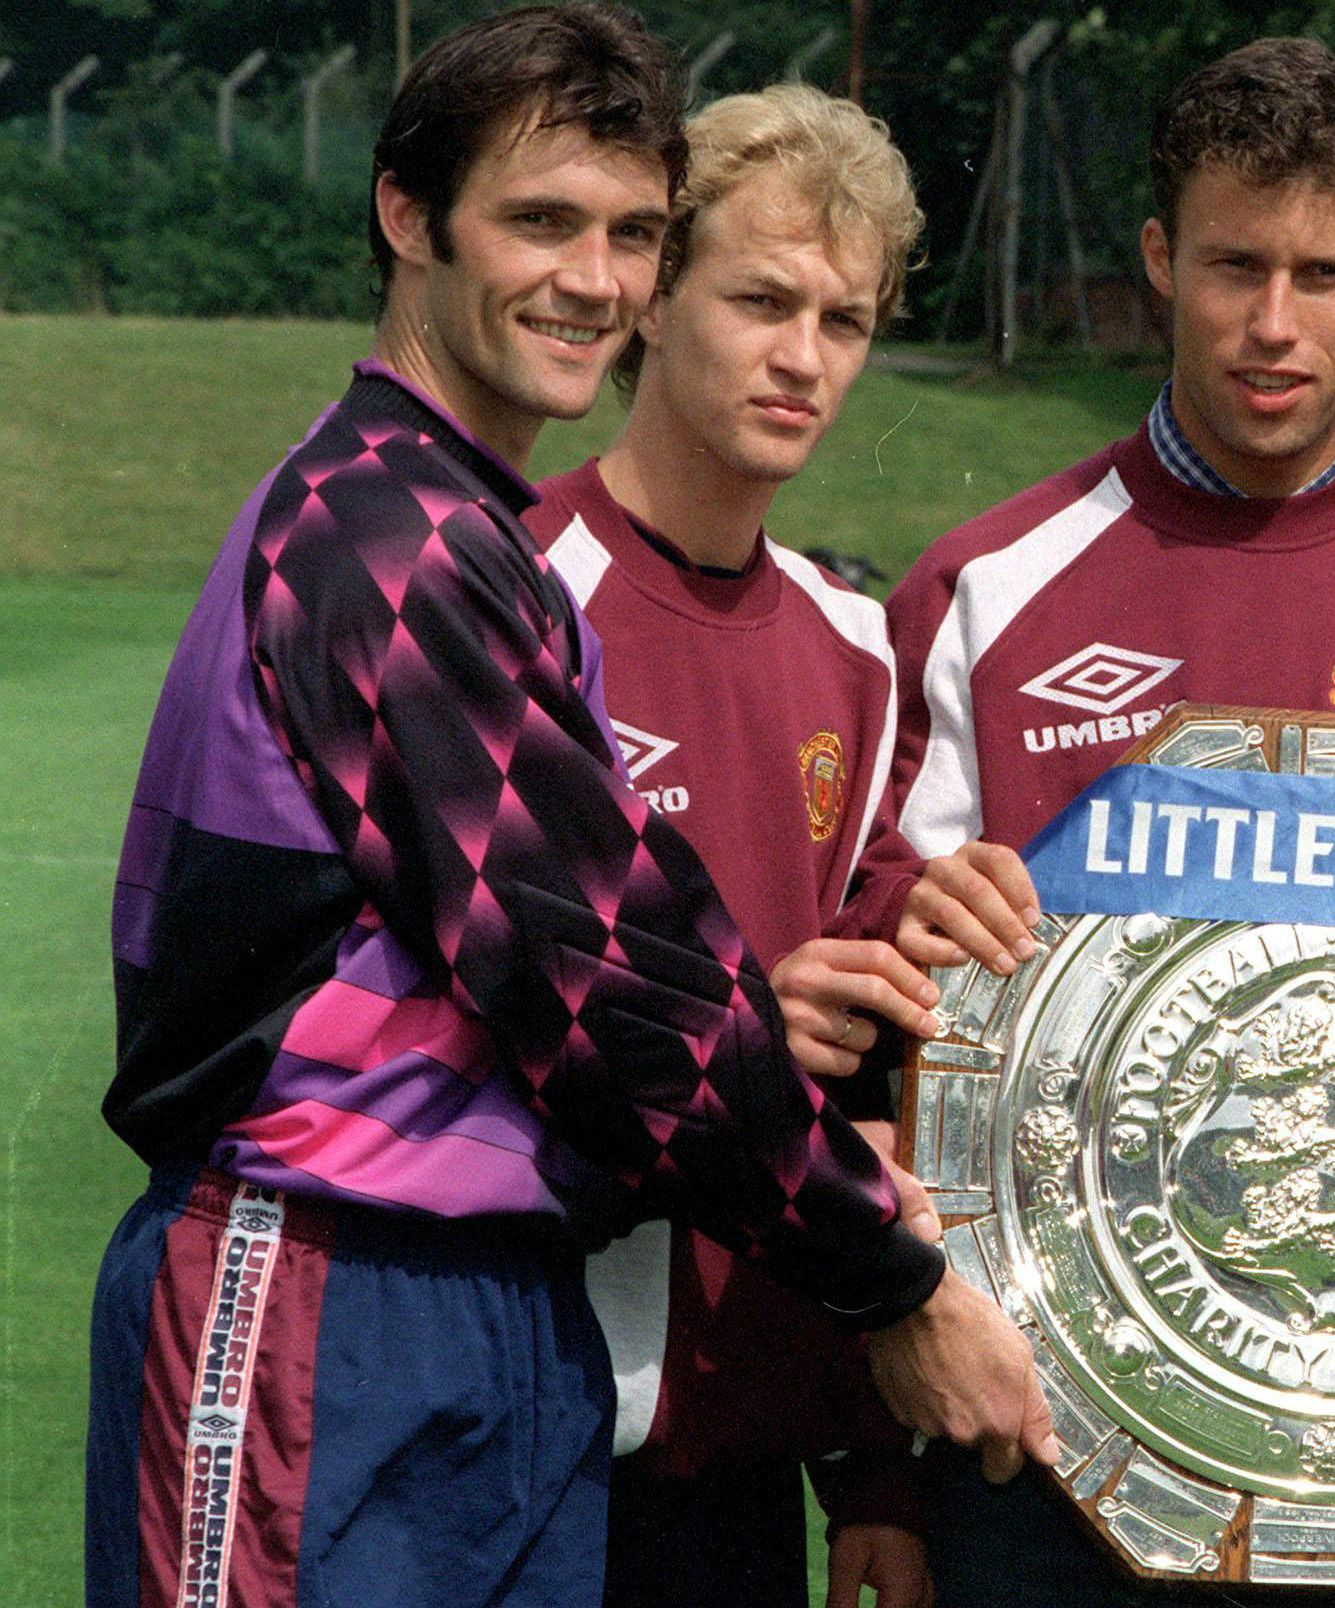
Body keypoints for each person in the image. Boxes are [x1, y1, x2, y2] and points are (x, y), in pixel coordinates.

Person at [87, 13, 1041, 1607]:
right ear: (407, 214)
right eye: (539, 222)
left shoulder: (471, 530)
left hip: (506, 1307)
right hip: (328, 1282)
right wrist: (896, 1282)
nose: (591, 279)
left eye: (629, 234)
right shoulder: (380, 538)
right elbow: (616, 994)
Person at [873, 35, 1335, 1608]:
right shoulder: (982, 592)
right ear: (1157, 258)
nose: (1275, 324)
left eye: (1324, 273)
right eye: (1233, 266)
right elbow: (889, 1029)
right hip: (1058, 1453)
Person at [515, 83, 996, 1608]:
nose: (801, 358)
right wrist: (726, 1027)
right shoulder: (518, 585)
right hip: (529, 1406)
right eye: (761, 300)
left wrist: (867, 1469)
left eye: (843, 321)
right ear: (655, 296)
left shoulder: (856, 647)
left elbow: (849, 1081)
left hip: (740, 1453)